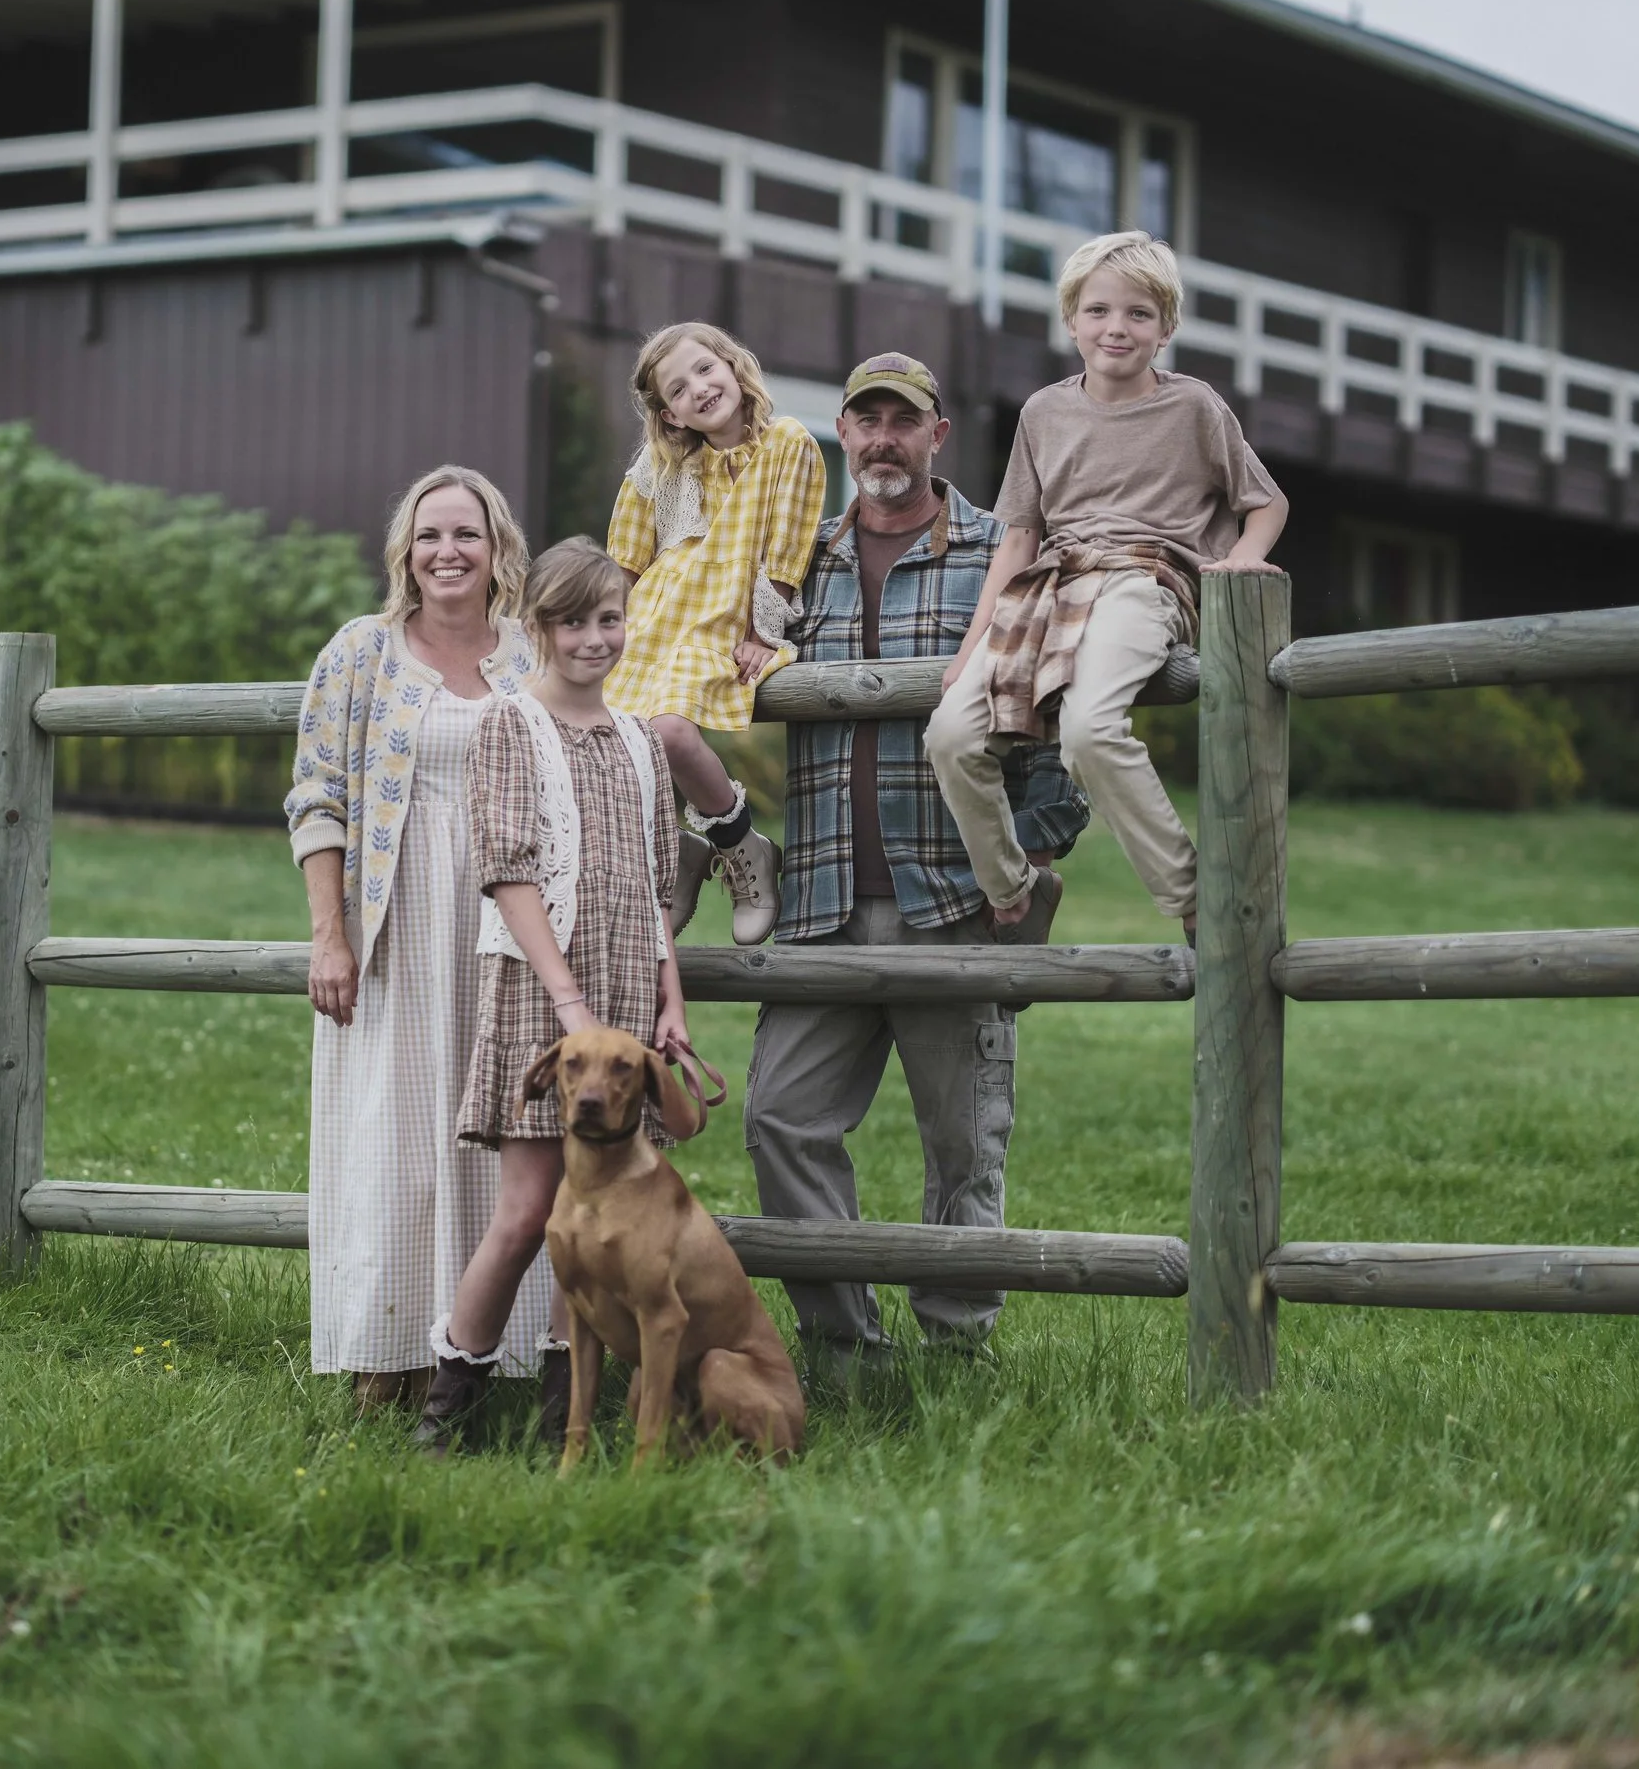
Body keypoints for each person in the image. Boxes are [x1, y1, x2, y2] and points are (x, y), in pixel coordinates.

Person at [743, 354, 1092, 1368]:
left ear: (938, 436)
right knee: (781, 1121)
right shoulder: (790, 565)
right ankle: (846, 1352)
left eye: (904, 420)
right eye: (866, 420)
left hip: (953, 903)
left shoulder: (1003, 551)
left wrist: (1021, 858)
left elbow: (1065, 714)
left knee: (961, 1144)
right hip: (818, 902)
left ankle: (953, 1355)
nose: (883, 438)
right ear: (841, 436)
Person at [927, 231, 1288, 939]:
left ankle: (1193, 900)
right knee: (950, 734)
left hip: (1143, 578)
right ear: (1071, 321)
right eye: (1097, 311)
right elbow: (1021, 537)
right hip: (1048, 587)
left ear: (1166, 328)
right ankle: (1012, 892)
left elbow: (1265, 501)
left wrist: (1242, 558)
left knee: (1091, 731)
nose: (1116, 328)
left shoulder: (1194, 407)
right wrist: (972, 648)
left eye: (1138, 314)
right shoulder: (1042, 412)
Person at [285, 466, 556, 1412]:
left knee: (500, 1138)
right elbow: (317, 797)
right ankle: (384, 1356)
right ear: (406, 548)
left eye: (468, 535)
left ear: (497, 551)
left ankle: (489, 1360)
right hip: (393, 929)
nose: (449, 551)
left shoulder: (533, 653)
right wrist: (331, 936)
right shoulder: (360, 654)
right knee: (391, 1142)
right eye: (431, 534)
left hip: (507, 925)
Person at [413, 538, 690, 1454]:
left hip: (623, 1005)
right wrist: (569, 1002)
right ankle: (452, 1397)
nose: (593, 638)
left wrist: (669, 1003)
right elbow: (508, 868)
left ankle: (565, 1415)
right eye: (573, 621)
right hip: (548, 998)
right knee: (531, 1210)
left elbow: (657, 890)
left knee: (610, 1214)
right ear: (538, 627)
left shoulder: (644, 743)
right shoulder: (509, 724)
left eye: (608, 618)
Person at [605, 321, 827, 945]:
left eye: (705, 369)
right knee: (622, 744)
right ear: (669, 414)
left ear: (732, 365)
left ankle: (741, 846)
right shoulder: (660, 464)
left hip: (723, 618)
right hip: (653, 618)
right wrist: (602, 633)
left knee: (669, 731)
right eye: (678, 389)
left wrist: (764, 629)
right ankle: (677, 853)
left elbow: (786, 551)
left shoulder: (788, 443)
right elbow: (625, 559)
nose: (699, 389)